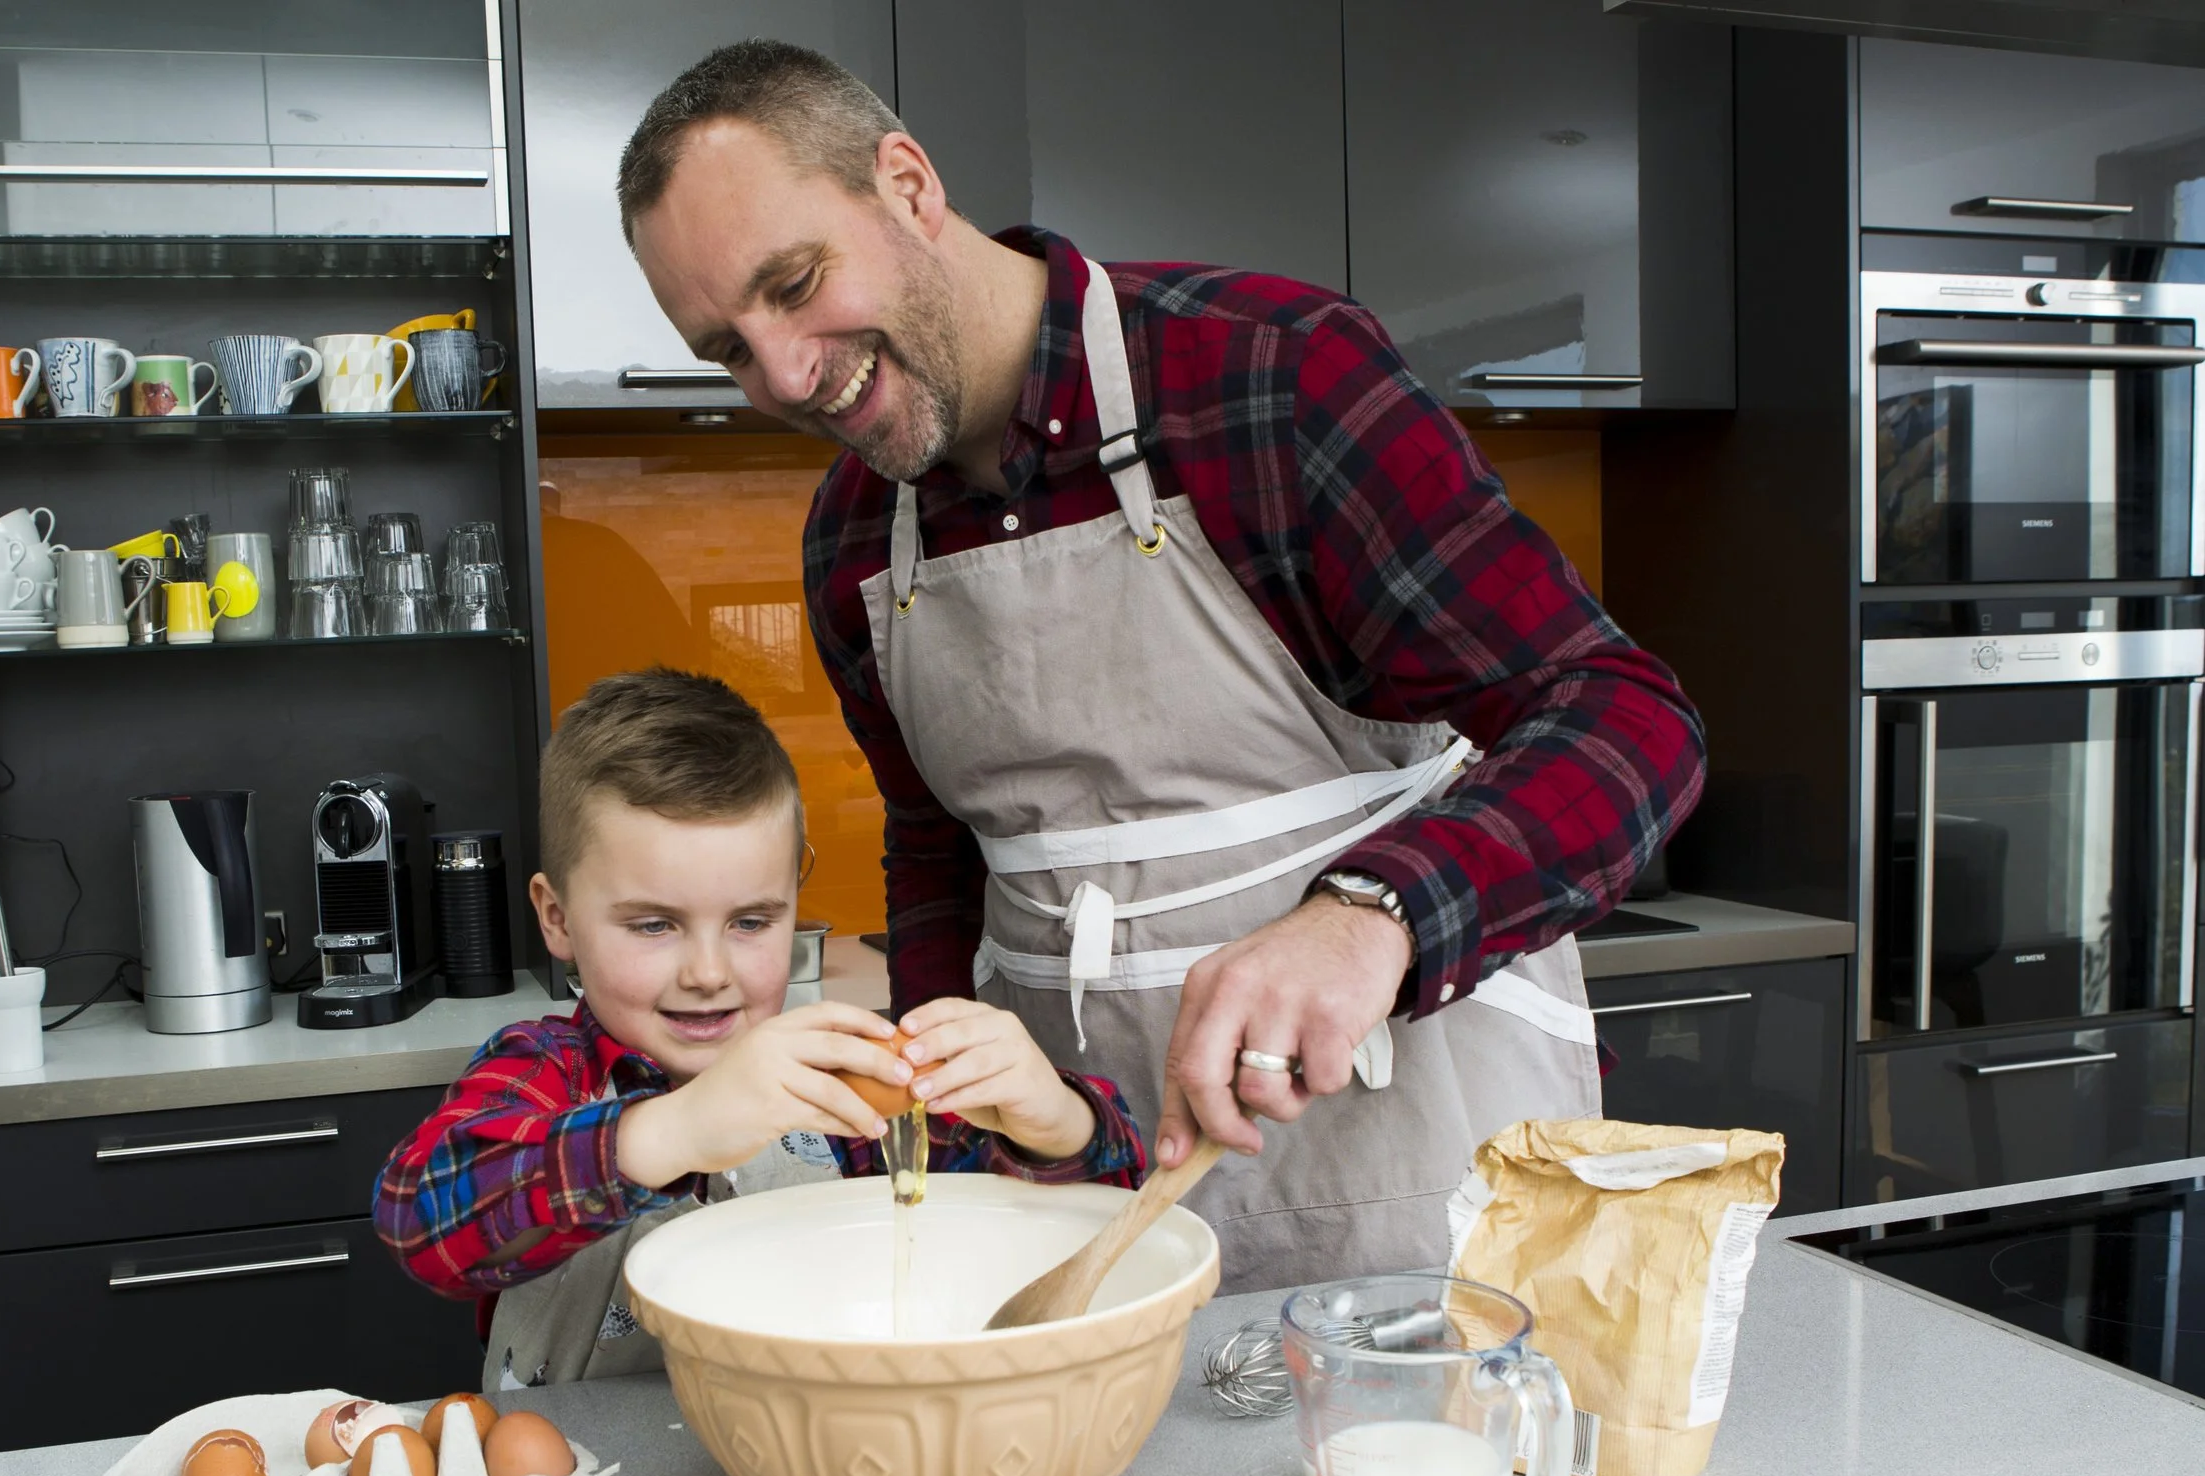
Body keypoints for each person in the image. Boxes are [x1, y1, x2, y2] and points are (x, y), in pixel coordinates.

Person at [615, 43, 1707, 1289]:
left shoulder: (1272, 375)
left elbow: (1628, 720)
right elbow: (936, 853)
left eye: (796, 283)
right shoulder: (852, 540)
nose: (788, 375)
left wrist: (1371, 919)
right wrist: (938, 1129)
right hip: (1082, 1231)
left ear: (909, 186)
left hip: (1419, 1206)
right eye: (728, 350)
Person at [373, 669, 1145, 1389]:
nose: (709, 972)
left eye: (750, 920)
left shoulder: (842, 1082)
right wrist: (674, 1131)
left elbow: (1107, 1210)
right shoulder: (545, 1071)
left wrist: (1058, 1125)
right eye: (653, 924)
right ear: (557, 917)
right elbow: (419, 1217)